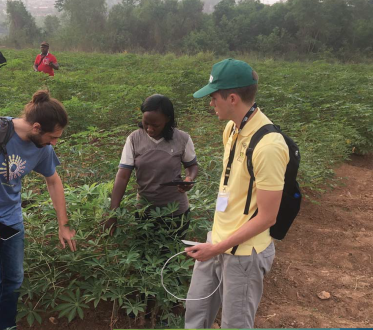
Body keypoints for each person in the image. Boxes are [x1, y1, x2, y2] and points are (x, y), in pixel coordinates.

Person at [0, 90, 77, 330]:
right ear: (36, 127)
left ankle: (4, 326)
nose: (54, 143)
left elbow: (53, 181)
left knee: (13, 281)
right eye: (52, 137)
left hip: (10, 219)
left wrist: (64, 225)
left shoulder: (42, 146)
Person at [184, 59, 288, 329]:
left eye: (213, 97)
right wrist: (214, 244)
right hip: (216, 242)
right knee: (195, 314)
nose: (210, 104)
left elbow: (267, 217)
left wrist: (216, 248)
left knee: (235, 324)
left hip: (244, 254)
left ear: (231, 98)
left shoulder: (269, 146)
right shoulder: (231, 129)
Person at [107, 94, 198, 237]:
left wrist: (189, 178)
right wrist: (113, 212)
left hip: (176, 212)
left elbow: (192, 165)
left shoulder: (182, 138)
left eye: (155, 125)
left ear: (167, 120)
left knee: (172, 256)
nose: (149, 129)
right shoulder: (134, 139)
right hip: (145, 212)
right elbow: (123, 176)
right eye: (146, 123)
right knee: (144, 256)